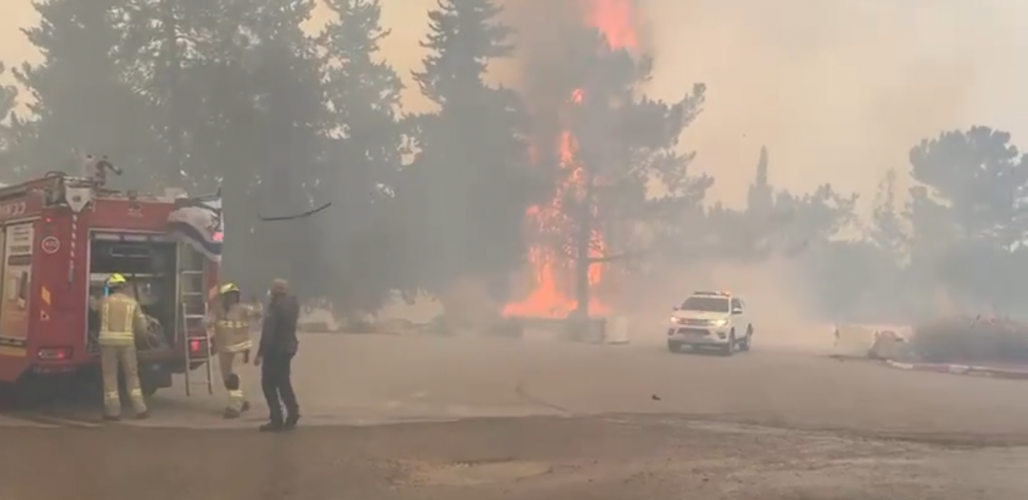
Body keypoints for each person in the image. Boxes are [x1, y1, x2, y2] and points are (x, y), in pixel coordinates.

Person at [97, 273, 149, 420]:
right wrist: (141, 340)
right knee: (132, 375)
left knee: (110, 377)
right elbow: (141, 326)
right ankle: (140, 409)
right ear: (124, 288)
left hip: (107, 343)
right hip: (127, 343)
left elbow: (100, 320)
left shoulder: (103, 302)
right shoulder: (132, 303)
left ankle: (113, 412)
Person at [208, 283, 262, 419]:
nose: (231, 298)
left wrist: (257, 303)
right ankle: (242, 401)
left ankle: (234, 407)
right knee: (227, 379)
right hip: (224, 349)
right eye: (228, 296)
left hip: (240, 348)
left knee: (233, 378)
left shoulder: (243, 309)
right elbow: (207, 323)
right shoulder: (217, 311)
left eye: (234, 295)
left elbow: (258, 313)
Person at [255, 279, 300, 431]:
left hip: (275, 351)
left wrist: (260, 354)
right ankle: (293, 412)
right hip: (288, 349)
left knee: (268, 385)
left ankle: (277, 419)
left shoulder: (274, 308)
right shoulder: (292, 305)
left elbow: (269, 333)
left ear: (275, 292)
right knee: (283, 383)